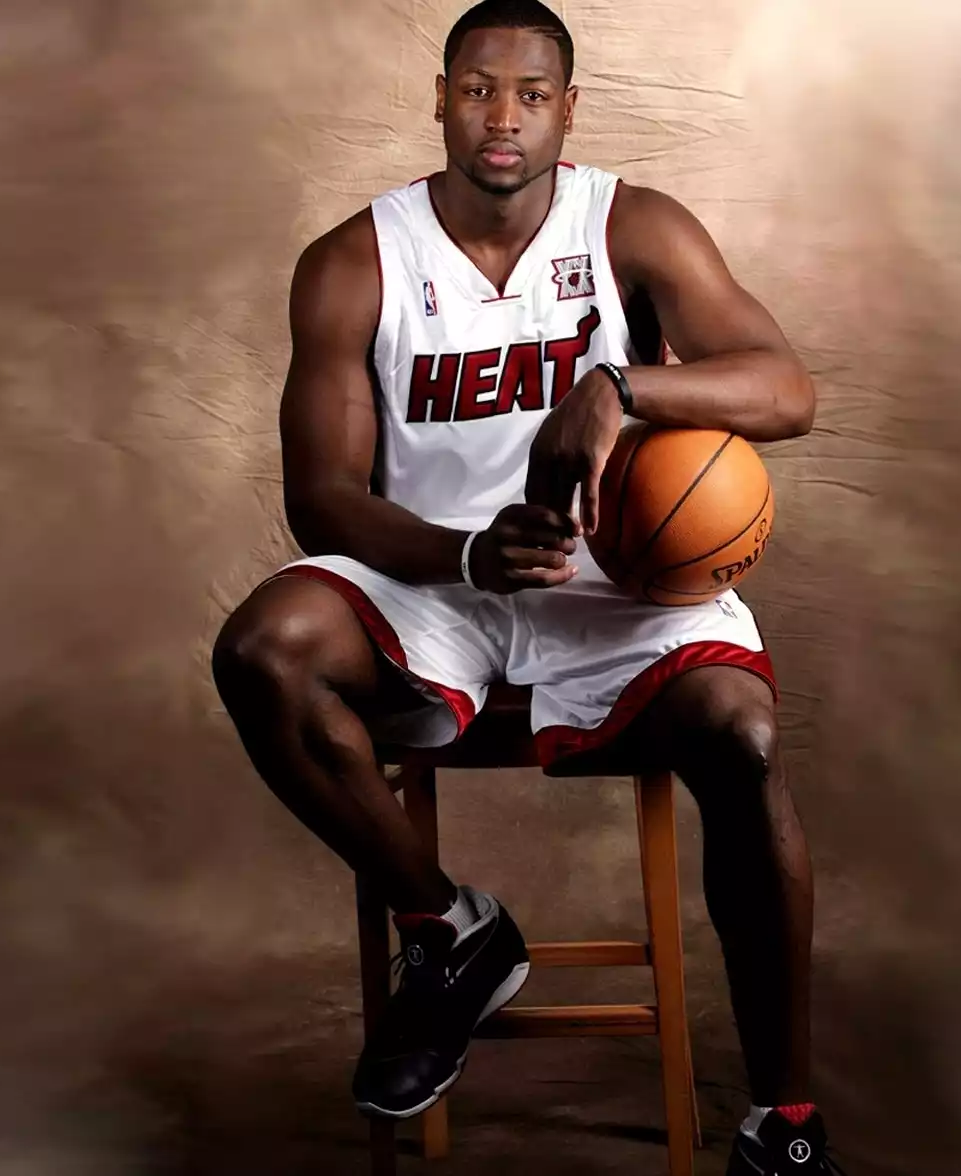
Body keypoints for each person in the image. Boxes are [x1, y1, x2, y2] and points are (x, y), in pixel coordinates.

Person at [211, 2, 835, 1171]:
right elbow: (322, 498)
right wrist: (462, 555)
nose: (503, 117)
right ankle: (448, 928)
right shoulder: (356, 259)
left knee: (743, 738)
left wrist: (622, 386)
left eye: (531, 95)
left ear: (569, 109)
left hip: (619, 584)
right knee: (263, 650)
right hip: (436, 577)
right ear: (441, 100)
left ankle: (783, 1130)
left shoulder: (633, 226)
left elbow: (785, 390)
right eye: (478, 90)